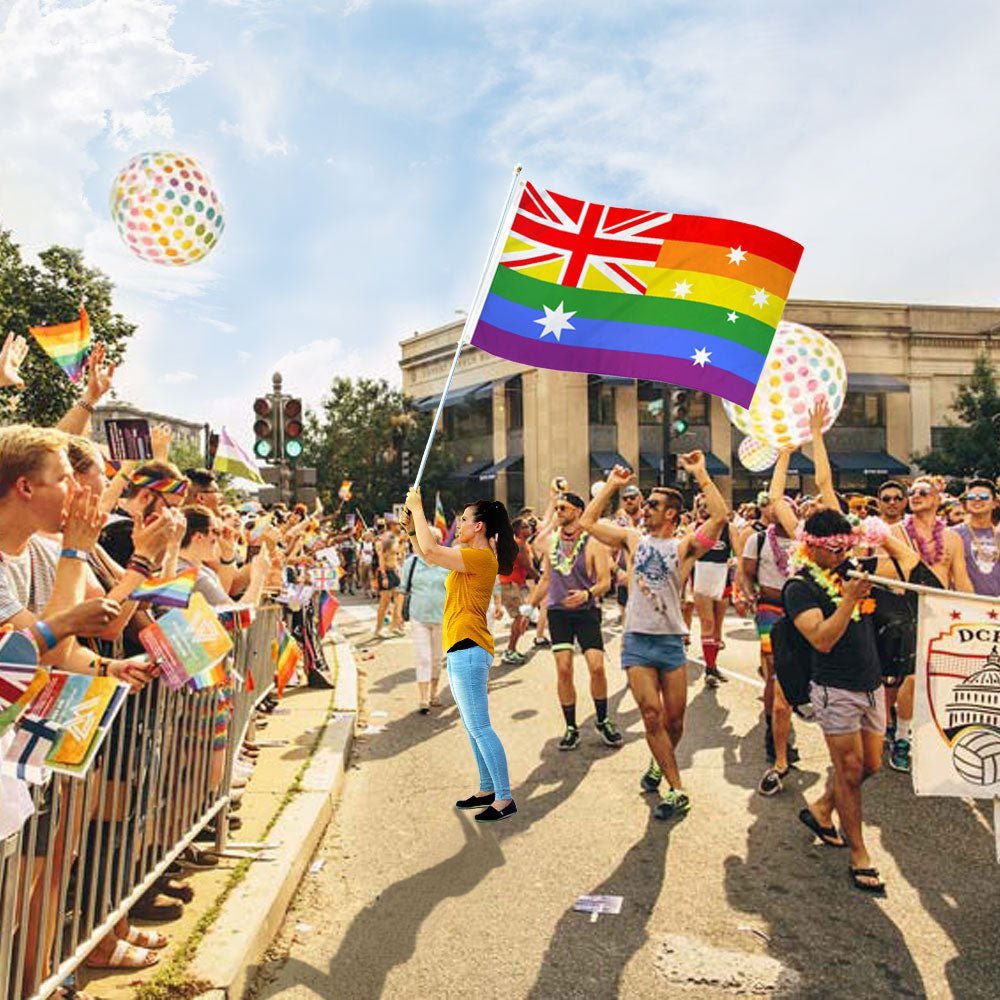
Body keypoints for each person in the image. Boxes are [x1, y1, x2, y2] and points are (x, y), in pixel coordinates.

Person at [581, 452, 727, 819]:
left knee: (674, 722)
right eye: (645, 504)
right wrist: (612, 485)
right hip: (638, 642)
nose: (645, 509)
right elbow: (588, 521)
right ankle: (677, 789)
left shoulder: (684, 547)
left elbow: (720, 517)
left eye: (653, 505)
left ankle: (657, 764)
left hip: (670, 642)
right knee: (650, 714)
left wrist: (701, 474)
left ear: (671, 514)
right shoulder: (632, 539)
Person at [780, 507, 887, 895]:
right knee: (849, 771)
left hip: (871, 684)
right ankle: (859, 853)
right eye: (833, 549)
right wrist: (848, 600)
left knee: (870, 766)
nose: (841, 556)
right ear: (811, 547)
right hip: (834, 687)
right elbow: (822, 638)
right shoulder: (800, 587)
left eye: (847, 548)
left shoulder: (853, 571)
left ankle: (822, 808)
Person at [403, 490, 517, 822]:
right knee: (472, 726)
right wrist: (412, 528)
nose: (459, 524)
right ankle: (487, 788)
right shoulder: (468, 555)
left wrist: (417, 508)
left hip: (469, 647)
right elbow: (427, 555)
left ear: (479, 526)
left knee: (480, 726)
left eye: (465, 519)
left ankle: (504, 797)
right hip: (461, 647)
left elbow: (431, 549)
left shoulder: (481, 558)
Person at [528, 491, 622, 750]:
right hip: (558, 612)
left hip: (586, 611)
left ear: (578, 512)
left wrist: (586, 594)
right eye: (557, 508)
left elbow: (605, 582)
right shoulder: (551, 542)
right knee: (564, 668)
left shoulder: (594, 543)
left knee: (596, 667)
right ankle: (571, 726)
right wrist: (530, 606)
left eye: (563, 508)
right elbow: (545, 575)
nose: (559, 512)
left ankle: (602, 720)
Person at [399, 526, 450, 712]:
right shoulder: (411, 563)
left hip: (442, 617)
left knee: (437, 658)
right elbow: (403, 589)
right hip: (418, 616)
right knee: (423, 658)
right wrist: (397, 613)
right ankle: (422, 698)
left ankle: (434, 692)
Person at [691, 492, 732, 687]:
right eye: (701, 505)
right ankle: (709, 668)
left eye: (708, 505)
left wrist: (735, 561)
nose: (704, 508)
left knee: (717, 627)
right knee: (707, 623)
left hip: (722, 576)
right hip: (702, 576)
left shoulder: (728, 528)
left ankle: (713, 665)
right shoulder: (694, 528)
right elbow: (685, 556)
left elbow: (740, 552)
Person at [499, 517, 538, 665]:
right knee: (519, 617)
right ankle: (510, 651)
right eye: (525, 527)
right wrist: (539, 579)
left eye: (528, 526)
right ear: (517, 530)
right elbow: (527, 566)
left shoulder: (519, 544)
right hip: (510, 584)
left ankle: (511, 650)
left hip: (511, 583)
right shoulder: (520, 545)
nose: (529, 529)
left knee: (521, 617)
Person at [953, 479, 1000, 597]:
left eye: (984, 496)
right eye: (971, 496)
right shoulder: (953, 534)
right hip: (965, 606)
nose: (977, 499)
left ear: (995, 503)